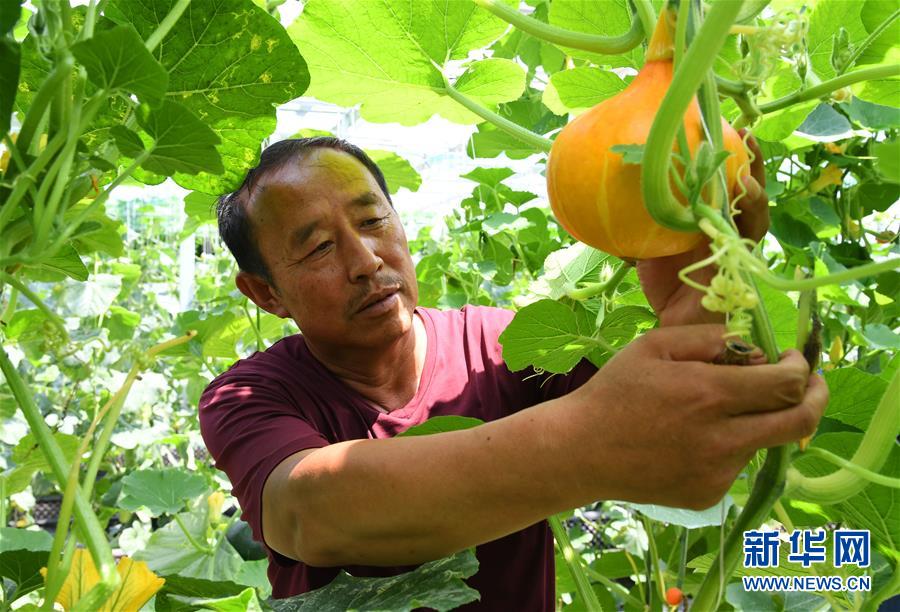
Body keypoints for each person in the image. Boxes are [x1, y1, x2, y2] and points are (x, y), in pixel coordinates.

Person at [198, 137, 828, 610]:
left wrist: (701, 303)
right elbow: (310, 512)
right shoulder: (247, 395)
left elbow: (675, 424)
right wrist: (595, 439)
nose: (365, 260)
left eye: (372, 221)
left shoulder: (506, 344)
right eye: (318, 247)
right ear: (265, 293)